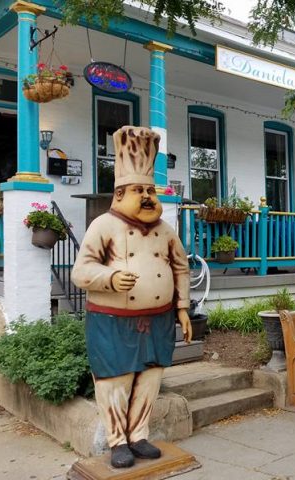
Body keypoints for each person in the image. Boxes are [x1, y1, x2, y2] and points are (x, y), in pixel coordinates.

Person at [72, 126, 192, 468]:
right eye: (139, 190)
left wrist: (182, 308)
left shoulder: (166, 231)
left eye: (150, 189)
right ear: (120, 193)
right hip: (112, 321)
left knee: (151, 377)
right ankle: (117, 441)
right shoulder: (103, 226)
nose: (148, 196)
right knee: (116, 380)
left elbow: (181, 268)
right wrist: (109, 277)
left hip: (159, 318)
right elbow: (80, 272)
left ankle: (139, 435)